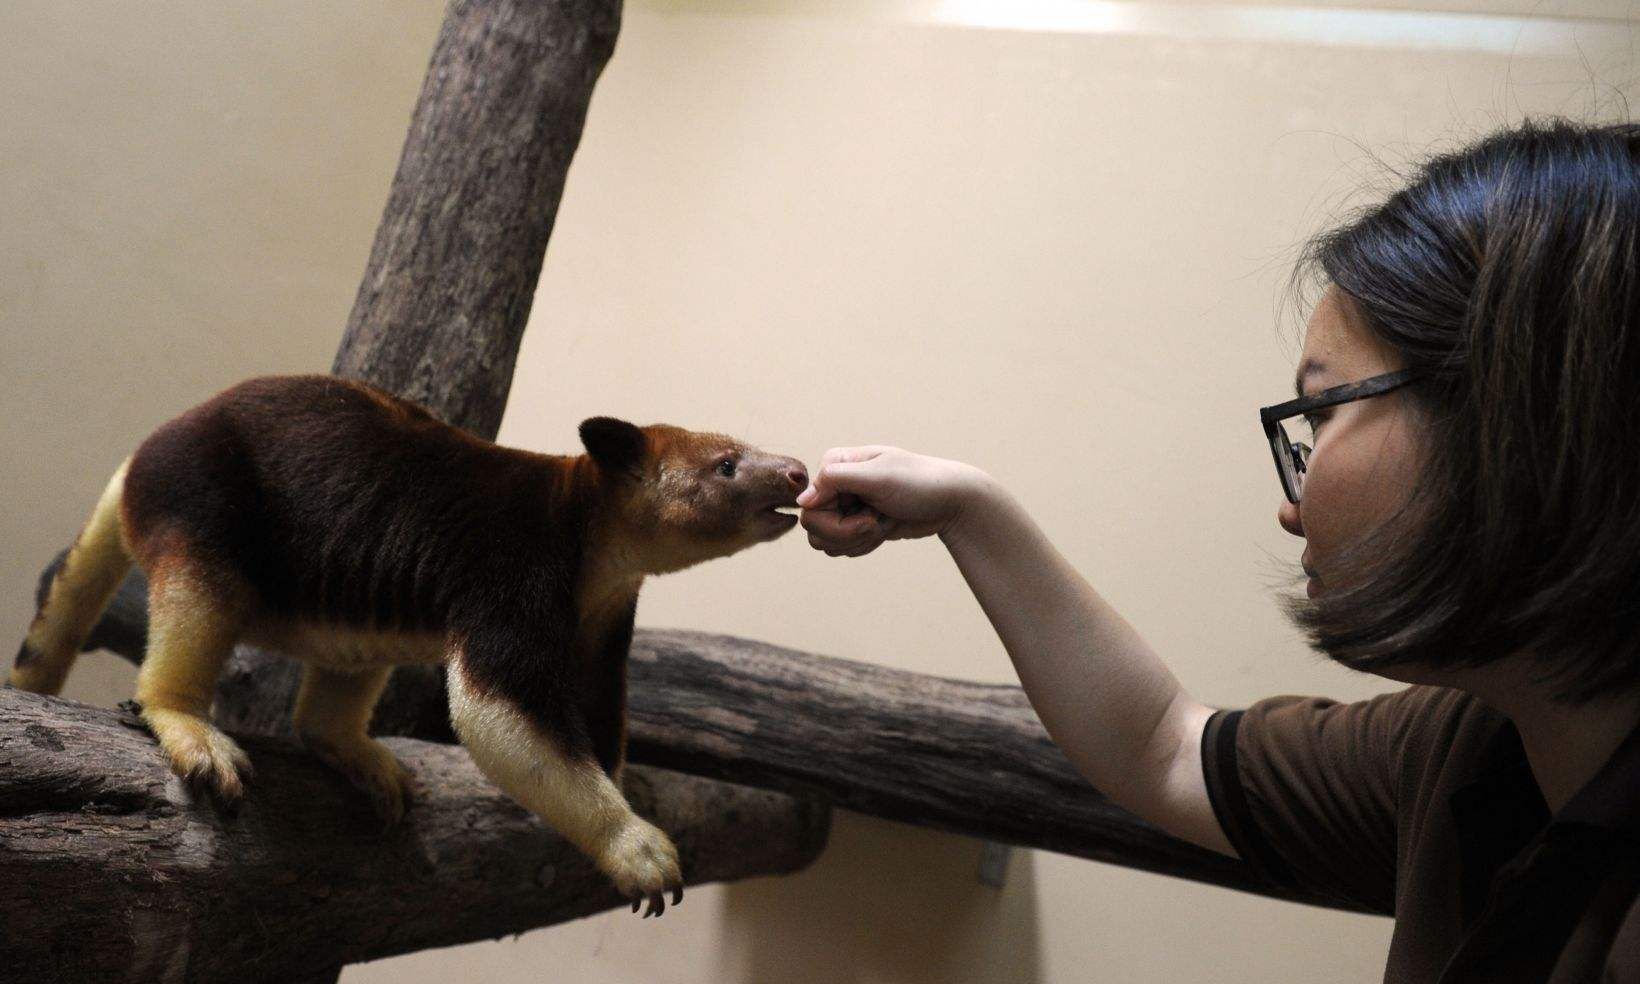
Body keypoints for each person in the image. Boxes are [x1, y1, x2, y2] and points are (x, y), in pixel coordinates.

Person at [796, 118, 1640, 983]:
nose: (1292, 503)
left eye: (1322, 414)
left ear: (1521, 422)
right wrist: (972, 511)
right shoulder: (1475, 744)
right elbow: (1164, 748)